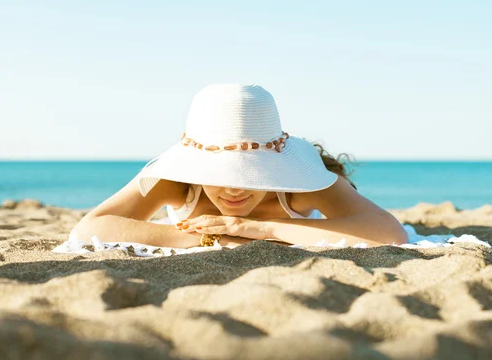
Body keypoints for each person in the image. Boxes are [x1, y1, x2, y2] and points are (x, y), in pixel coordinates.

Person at [71, 83, 408, 248]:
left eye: (252, 174)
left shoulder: (301, 185)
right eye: (217, 174)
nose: (234, 188)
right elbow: (88, 229)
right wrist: (214, 236)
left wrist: (263, 230)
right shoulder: (177, 181)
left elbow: (391, 232)